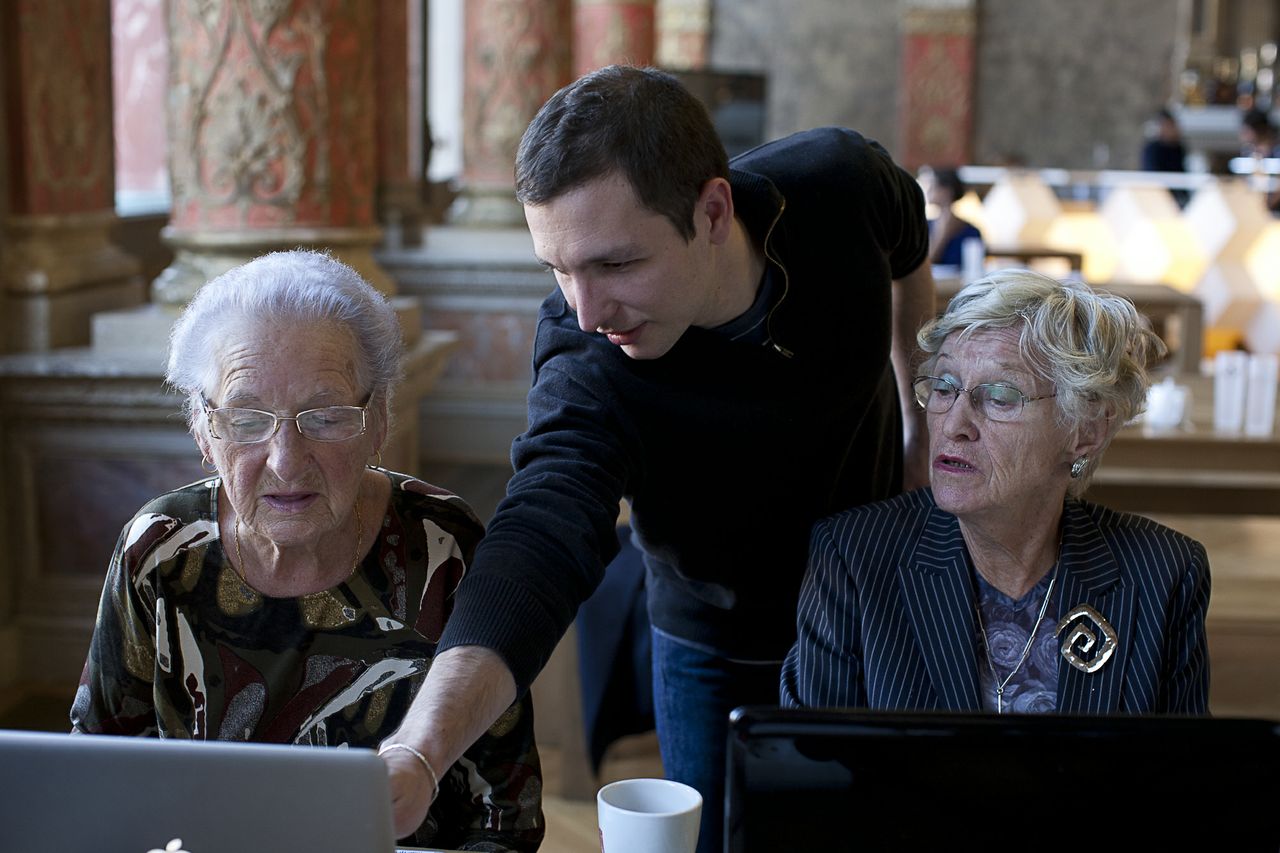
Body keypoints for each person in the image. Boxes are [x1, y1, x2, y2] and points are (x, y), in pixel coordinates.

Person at [382, 65, 936, 853]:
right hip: (713, 635)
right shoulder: (586, 355)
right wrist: (421, 748)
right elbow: (540, 536)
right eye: (558, 269)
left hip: (880, 600)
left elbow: (907, 233)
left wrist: (921, 420)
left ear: (713, 211)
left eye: (614, 264)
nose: (587, 309)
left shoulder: (834, 186)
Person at [71, 250, 544, 852]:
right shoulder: (160, 553)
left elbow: (505, 815)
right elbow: (95, 773)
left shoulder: (442, 544)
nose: (287, 461)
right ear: (203, 432)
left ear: (379, 421)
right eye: (247, 420)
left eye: (324, 416)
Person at [781, 269, 1210, 715]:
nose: (953, 425)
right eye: (944, 388)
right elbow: (813, 768)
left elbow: (1184, 777)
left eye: (1000, 397)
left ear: (1085, 430)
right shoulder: (854, 558)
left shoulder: (1163, 574)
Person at [920, 165, 983, 268]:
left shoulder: (971, 231)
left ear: (946, 190)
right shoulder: (924, 226)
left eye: (933, 185)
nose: (928, 190)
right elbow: (921, 264)